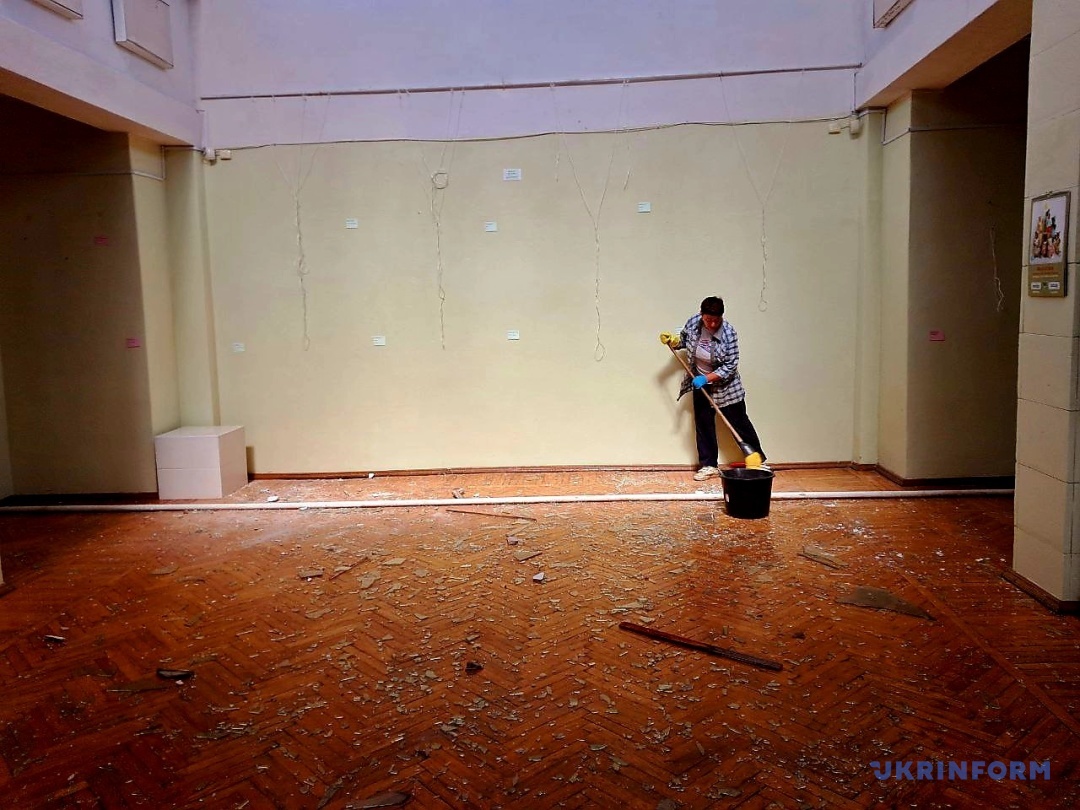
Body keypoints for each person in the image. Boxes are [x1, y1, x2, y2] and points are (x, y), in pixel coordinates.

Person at [660, 296, 767, 481]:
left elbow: (730, 366)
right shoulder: (694, 323)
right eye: (708, 319)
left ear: (721, 317)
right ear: (701, 315)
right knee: (704, 425)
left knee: (739, 423)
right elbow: (685, 339)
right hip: (699, 383)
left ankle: (758, 461)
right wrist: (674, 341)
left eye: (716, 320)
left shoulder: (729, 334)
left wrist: (707, 378)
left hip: (726, 387)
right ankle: (708, 465)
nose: (712, 324)